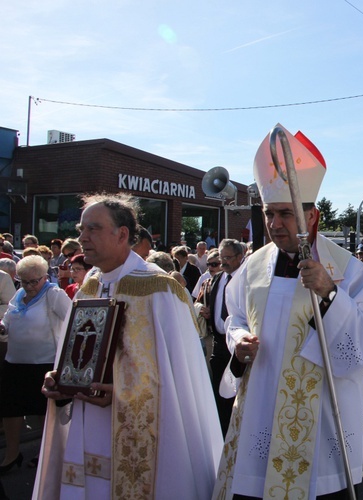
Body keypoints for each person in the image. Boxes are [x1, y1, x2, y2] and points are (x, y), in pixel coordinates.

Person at [212, 124, 363, 500]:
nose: (274, 224)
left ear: (311, 216)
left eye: (285, 214)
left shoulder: (347, 270)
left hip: (321, 423)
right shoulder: (252, 267)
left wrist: (329, 292)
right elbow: (234, 317)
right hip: (259, 411)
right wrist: (238, 341)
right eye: (268, 213)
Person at [34, 193, 222, 499]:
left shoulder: (158, 288)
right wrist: (59, 379)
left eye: (92, 229)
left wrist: (121, 393)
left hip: (144, 435)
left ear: (122, 234)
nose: (82, 237)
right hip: (87, 422)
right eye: (81, 229)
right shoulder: (89, 287)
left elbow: (180, 383)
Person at [0, 256, 71, 473]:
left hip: (44, 363)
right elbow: (8, 319)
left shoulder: (54, 294)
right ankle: (12, 454)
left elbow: (71, 321)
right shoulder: (20, 294)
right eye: (23, 281)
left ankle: (45, 454)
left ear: (44, 277)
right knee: (10, 410)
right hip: (15, 361)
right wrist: (2, 327)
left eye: (33, 282)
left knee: (43, 412)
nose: (29, 286)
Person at [198, 238, 245, 436]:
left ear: (240, 257)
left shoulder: (245, 279)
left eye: (228, 258)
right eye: (221, 257)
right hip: (218, 344)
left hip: (238, 347)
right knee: (219, 393)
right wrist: (206, 312)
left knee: (236, 395)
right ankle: (221, 433)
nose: (223, 262)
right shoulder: (217, 279)